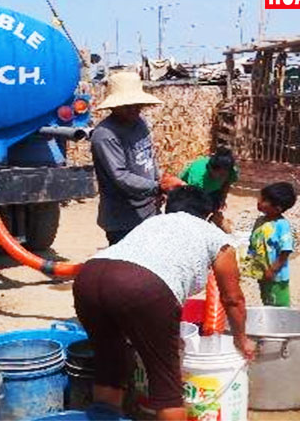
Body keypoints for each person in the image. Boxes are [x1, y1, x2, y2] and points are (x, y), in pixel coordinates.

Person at [73, 186, 255, 420]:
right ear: (209, 215)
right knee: (166, 387)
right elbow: (232, 299)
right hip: (143, 286)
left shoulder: (152, 222)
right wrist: (241, 338)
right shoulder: (217, 237)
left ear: (169, 207)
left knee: (109, 368)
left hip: (89, 277)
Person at [91, 71, 184, 245]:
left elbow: (149, 157)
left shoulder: (140, 123)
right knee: (127, 259)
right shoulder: (105, 135)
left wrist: (157, 184)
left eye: (137, 105)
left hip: (149, 210)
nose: (134, 109)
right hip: (123, 217)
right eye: (127, 106)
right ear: (114, 107)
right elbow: (121, 176)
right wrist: (157, 187)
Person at [245, 182, 296, 307]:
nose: (259, 202)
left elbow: (286, 250)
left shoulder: (282, 225)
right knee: (267, 302)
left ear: (277, 208)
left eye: (264, 200)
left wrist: (273, 269)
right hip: (262, 273)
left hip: (276, 277)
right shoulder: (260, 221)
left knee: (279, 306)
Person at [179, 148, 238, 226]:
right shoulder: (197, 177)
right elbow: (191, 196)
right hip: (189, 191)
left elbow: (227, 183)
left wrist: (222, 199)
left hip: (212, 191)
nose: (222, 178)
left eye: (224, 175)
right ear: (210, 169)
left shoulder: (231, 171)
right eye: (220, 175)